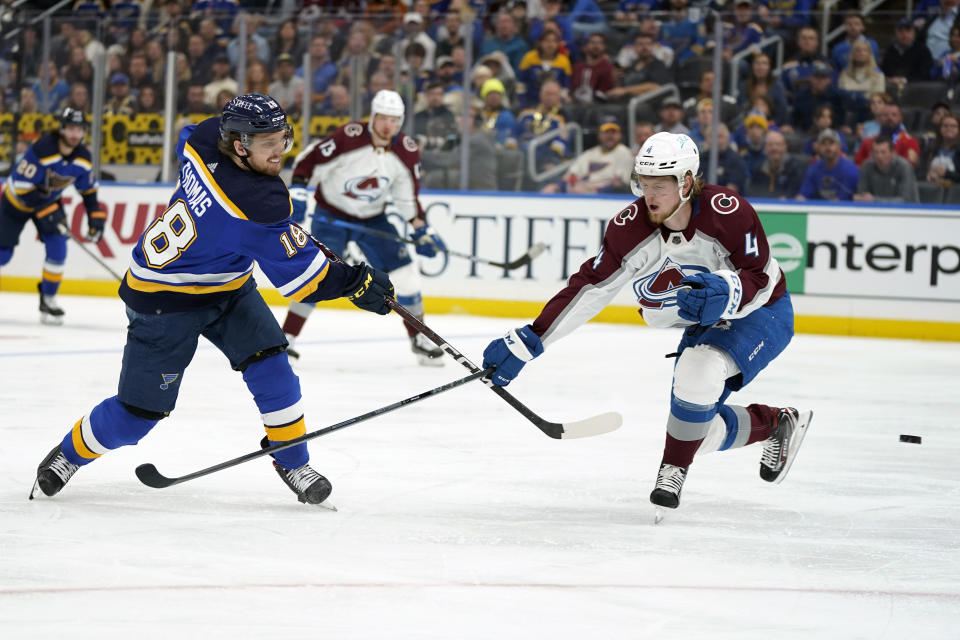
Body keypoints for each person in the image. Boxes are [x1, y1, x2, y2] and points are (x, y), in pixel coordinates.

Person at [29, 94, 395, 505]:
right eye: (268, 143)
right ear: (239, 145)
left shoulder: (204, 138)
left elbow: (191, 135)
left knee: (273, 367)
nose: (280, 152)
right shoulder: (255, 202)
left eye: (283, 138)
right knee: (136, 417)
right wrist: (357, 283)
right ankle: (69, 454)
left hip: (227, 285)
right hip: (163, 299)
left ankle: (292, 461)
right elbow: (307, 281)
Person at [481, 131, 812, 516]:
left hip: (762, 311)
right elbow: (592, 287)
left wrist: (727, 292)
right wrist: (532, 338)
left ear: (686, 182)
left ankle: (672, 471)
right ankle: (773, 423)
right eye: (643, 184)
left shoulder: (729, 212)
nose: (648, 195)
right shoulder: (631, 227)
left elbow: (760, 278)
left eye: (659, 186)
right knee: (692, 428)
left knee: (697, 371)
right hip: (704, 323)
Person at [280, 90, 447, 366]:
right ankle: (288, 339)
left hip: (372, 218)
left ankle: (419, 339)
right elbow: (309, 161)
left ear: (401, 121)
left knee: (406, 275)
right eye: (382, 118)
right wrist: (298, 188)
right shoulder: (349, 137)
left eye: (394, 120)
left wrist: (421, 229)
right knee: (315, 274)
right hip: (331, 214)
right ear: (373, 117)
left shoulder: (406, 150)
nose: (387, 125)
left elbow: (407, 198)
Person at [0, 108, 106, 325]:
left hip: (47, 202)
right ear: (62, 129)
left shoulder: (83, 158)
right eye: (71, 128)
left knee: (58, 246)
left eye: (79, 129)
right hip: (15, 202)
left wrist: (95, 219)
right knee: (3, 255)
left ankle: (48, 298)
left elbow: (89, 192)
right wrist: (49, 212)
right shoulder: (42, 148)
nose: (75, 134)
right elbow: (22, 187)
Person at [540, 115, 634, 194]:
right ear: (599, 135)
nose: (609, 136)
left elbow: (619, 185)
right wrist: (556, 186)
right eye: (606, 132)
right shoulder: (590, 153)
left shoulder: (625, 154)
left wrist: (592, 190)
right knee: (549, 188)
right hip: (582, 192)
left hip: (607, 197)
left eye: (613, 132)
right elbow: (571, 176)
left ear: (620, 135)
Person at [798, 128, 860, 201]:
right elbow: (803, 196)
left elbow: (842, 201)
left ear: (839, 146)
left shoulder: (850, 170)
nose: (827, 147)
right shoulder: (813, 169)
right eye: (823, 143)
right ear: (818, 147)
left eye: (831, 143)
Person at [853, 134, 919, 203]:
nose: (879, 156)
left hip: (905, 211)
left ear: (893, 153)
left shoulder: (904, 167)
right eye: (876, 152)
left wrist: (875, 200)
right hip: (875, 211)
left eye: (883, 152)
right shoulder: (867, 166)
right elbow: (861, 195)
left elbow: (906, 200)